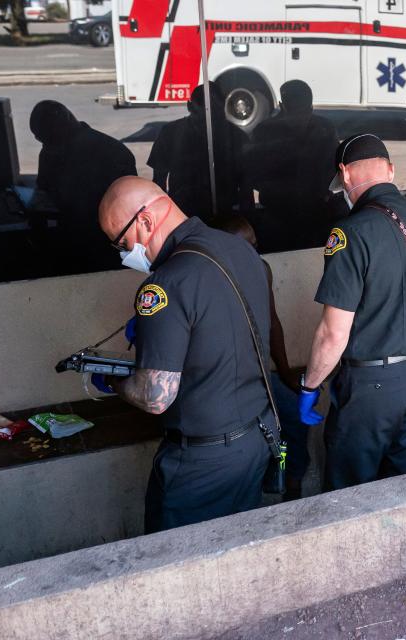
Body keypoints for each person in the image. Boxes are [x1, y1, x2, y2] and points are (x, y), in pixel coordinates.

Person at [95, 177, 274, 533]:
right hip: (256, 439)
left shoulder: (164, 285)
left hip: (201, 464)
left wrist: (113, 381)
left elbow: (155, 397)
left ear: (145, 221)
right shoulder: (240, 249)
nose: (123, 255)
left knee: (174, 572)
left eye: (121, 242)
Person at [297, 134, 406, 490]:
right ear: (391, 170)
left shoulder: (350, 233)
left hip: (370, 391)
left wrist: (310, 385)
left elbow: (334, 333)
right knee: (404, 487)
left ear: (346, 176)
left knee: (350, 493)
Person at [215, 214, 313, 500]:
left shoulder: (260, 269)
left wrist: (284, 372)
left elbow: (272, 322)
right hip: (227, 384)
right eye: (245, 247)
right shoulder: (208, 277)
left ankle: (293, 487)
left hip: (260, 376)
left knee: (295, 413)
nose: (254, 253)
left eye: (255, 245)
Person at [29, 100, 137, 271]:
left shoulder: (111, 152)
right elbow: (44, 189)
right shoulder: (51, 151)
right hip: (75, 238)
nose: (46, 145)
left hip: (103, 243)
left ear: (62, 125)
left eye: (48, 138)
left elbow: (129, 205)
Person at [245, 80, 342, 248]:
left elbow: (252, 176)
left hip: (308, 215)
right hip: (283, 215)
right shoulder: (324, 128)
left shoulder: (264, 131)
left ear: (282, 107)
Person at [147, 84, 251, 221]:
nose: (209, 123)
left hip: (224, 215)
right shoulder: (170, 133)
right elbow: (158, 182)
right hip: (185, 214)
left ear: (189, 105)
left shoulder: (237, 137)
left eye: (215, 114)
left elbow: (246, 187)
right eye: (203, 115)